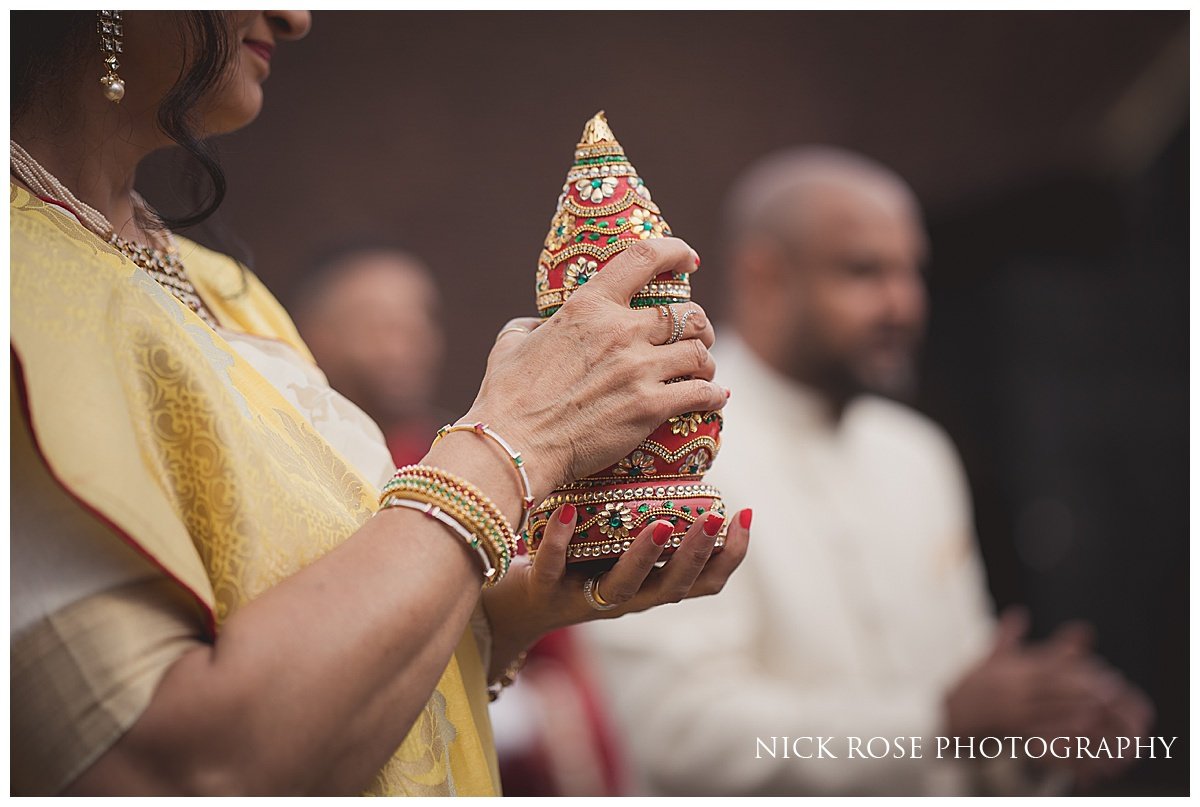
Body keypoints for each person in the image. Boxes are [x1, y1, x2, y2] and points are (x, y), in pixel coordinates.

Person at [9, 11, 750, 795]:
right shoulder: (18, 292)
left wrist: (510, 607)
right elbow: (177, 770)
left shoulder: (226, 290)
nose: (294, 18)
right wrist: (513, 437)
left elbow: (312, 635)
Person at [579, 146, 1153, 796]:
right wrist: (939, 720)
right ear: (763, 276)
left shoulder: (914, 452)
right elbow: (674, 731)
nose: (903, 304)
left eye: (913, 272)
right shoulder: (663, 449)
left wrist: (1031, 729)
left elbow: (964, 705)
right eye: (863, 271)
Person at [289, 245, 449, 465]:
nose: (404, 349)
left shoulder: (453, 456)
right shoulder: (288, 455)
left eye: (417, 324)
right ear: (315, 335)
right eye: (377, 324)